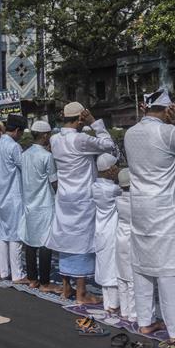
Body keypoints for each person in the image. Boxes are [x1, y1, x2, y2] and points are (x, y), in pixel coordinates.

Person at [123, 88, 175, 346]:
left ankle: (145, 321)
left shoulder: (130, 133)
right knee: (171, 269)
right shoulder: (169, 132)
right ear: (167, 110)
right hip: (166, 210)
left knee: (143, 266)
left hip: (141, 208)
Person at [46, 102, 119, 304]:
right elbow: (108, 145)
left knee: (65, 241)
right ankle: (81, 293)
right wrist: (94, 122)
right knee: (81, 243)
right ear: (80, 118)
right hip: (82, 198)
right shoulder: (80, 139)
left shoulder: (54, 139)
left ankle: (66, 288)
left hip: (64, 197)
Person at [0, 114, 29, 283]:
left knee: (4, 234)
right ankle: (18, 274)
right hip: (14, 195)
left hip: (0, 194)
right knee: (16, 235)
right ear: (18, 130)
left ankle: (4, 271)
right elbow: (25, 168)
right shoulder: (14, 147)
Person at [19, 120, 57, 291]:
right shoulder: (46, 156)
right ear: (45, 135)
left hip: (29, 202)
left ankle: (32, 278)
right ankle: (45, 282)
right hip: (44, 203)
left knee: (30, 240)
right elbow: (54, 181)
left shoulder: (24, 154)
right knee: (45, 242)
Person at [93, 153, 122, 313]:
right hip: (111, 230)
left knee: (104, 264)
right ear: (110, 169)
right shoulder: (113, 189)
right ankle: (114, 304)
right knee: (113, 267)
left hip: (100, 229)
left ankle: (108, 303)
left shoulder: (95, 186)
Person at [114, 169, 136, 323]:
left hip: (120, 237)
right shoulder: (135, 201)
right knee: (133, 278)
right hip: (133, 239)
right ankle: (134, 314)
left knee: (121, 275)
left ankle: (124, 310)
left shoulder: (117, 199)